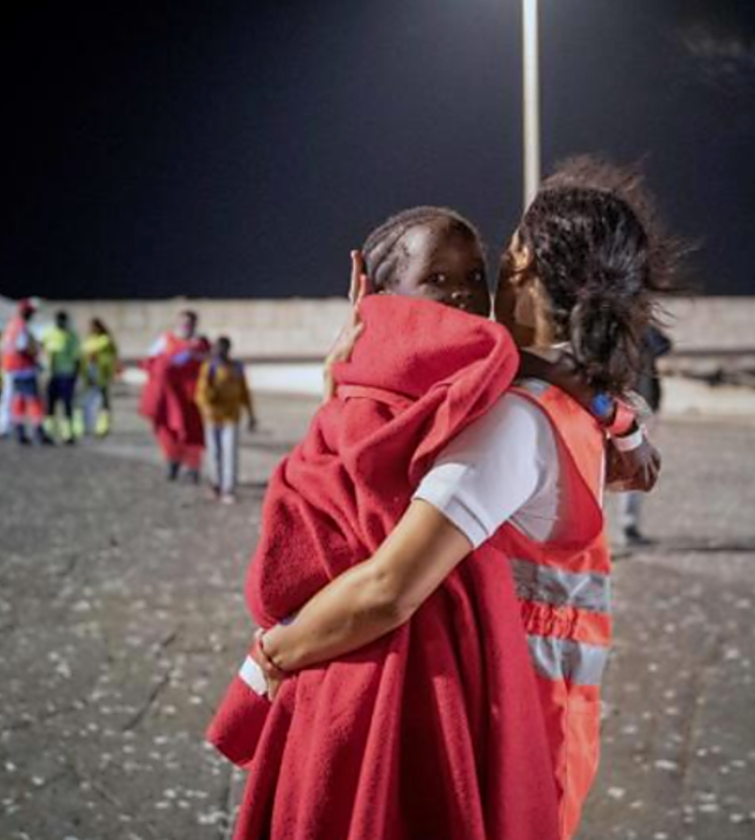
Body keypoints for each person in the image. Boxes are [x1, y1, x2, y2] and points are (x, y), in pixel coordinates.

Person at [210, 162, 677, 840]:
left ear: (529, 278)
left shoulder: (510, 423)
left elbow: (387, 585)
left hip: (488, 723)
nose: (470, 300)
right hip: (545, 717)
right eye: (441, 282)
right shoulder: (572, 409)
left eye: (493, 272)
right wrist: (350, 376)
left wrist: (271, 659)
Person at [613, 324, 672, 547]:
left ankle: (627, 526)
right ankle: (626, 526)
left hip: (636, 406)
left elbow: (665, 345)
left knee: (632, 467)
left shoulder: (639, 330)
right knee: (632, 466)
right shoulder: (626, 330)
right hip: (628, 406)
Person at [139, 309, 210, 481]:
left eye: (189, 322)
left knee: (192, 433)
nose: (186, 326)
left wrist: (195, 355)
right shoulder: (166, 340)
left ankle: (193, 468)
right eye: (183, 322)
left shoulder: (201, 344)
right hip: (169, 398)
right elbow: (151, 363)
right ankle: (173, 463)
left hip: (191, 398)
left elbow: (209, 364)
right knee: (168, 433)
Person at [196, 336, 256, 504]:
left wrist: (251, 414)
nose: (220, 351)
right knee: (214, 452)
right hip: (213, 416)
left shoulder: (236, 367)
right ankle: (215, 483)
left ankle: (228, 488)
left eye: (223, 348)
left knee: (230, 453)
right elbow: (201, 392)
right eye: (217, 348)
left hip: (232, 416)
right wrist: (206, 407)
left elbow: (244, 392)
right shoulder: (209, 367)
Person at [0, 299, 52, 446]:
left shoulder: (11, 325)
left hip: (12, 369)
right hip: (24, 368)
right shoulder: (21, 326)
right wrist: (36, 353)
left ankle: (19, 431)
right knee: (34, 401)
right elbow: (22, 346)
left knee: (19, 400)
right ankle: (38, 431)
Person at [41, 310, 81, 444]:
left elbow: (77, 357)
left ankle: (67, 434)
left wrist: (76, 375)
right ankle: (48, 432)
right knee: (50, 405)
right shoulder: (48, 333)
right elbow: (42, 351)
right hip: (51, 374)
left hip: (67, 375)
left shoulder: (71, 336)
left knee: (67, 405)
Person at [80, 318, 118, 438]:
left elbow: (112, 357)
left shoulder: (105, 340)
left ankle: (102, 428)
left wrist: (111, 372)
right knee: (88, 402)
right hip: (89, 375)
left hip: (101, 375)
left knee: (103, 403)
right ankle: (87, 426)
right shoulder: (88, 340)